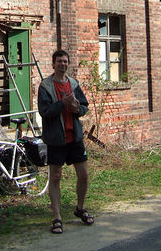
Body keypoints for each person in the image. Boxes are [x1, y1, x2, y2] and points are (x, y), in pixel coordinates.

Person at [38, 49, 94, 234]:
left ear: (68, 64)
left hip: (74, 137)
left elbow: (84, 106)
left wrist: (77, 109)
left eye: (65, 61)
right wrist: (63, 103)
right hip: (56, 139)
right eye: (59, 61)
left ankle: (80, 208)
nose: (62, 64)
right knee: (55, 177)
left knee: (84, 175)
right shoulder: (45, 86)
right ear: (53, 64)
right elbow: (45, 111)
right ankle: (57, 217)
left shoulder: (73, 84)